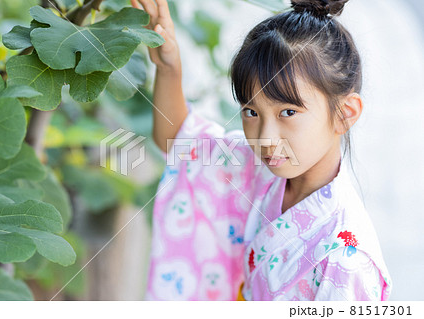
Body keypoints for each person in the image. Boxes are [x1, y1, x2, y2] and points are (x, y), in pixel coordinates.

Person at [133, 0, 393, 300]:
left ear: (344, 113)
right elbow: (177, 139)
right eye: (251, 112)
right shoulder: (260, 170)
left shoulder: (348, 260)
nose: (266, 139)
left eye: (288, 112)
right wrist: (168, 67)